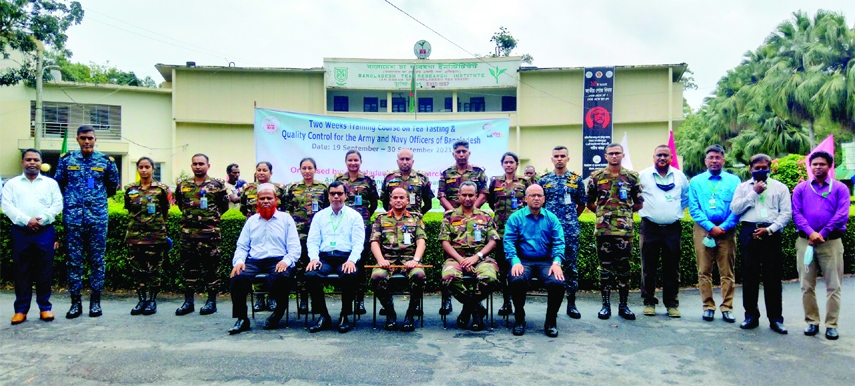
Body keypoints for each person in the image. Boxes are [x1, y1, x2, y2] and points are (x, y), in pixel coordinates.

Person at [54, 125, 120, 319]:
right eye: (83, 138)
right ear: (77, 139)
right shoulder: (67, 161)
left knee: (97, 261)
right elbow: (60, 183)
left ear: (95, 139)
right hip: (73, 219)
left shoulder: (105, 161)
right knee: (74, 261)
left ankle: (95, 303)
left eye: (90, 138)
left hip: (97, 219)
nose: (87, 141)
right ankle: (75, 304)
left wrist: (94, 202)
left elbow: (111, 188)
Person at [730, 153, 791, 334]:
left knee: (773, 277)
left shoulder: (780, 187)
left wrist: (770, 229)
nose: (761, 171)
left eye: (764, 167)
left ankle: (775, 319)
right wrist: (753, 193)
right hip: (749, 231)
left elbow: (786, 213)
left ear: (769, 168)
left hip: (771, 233)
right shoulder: (742, 188)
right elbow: (735, 209)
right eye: (757, 168)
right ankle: (751, 316)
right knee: (750, 276)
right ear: (750, 169)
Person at [227, 184, 300, 334]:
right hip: (254, 261)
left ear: (276, 200)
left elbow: (294, 247)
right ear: (257, 202)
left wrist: (286, 261)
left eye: (269, 198)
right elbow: (242, 246)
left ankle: (278, 313)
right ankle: (242, 319)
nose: (266, 201)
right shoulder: (251, 221)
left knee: (281, 277)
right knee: (237, 277)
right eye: (262, 198)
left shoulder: (286, 219)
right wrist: (239, 262)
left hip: (278, 260)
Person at [792, 151, 849, 340]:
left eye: (822, 164)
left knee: (833, 285)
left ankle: (831, 324)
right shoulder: (801, 188)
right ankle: (812, 322)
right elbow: (796, 214)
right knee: (806, 285)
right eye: (814, 164)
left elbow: (842, 214)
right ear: (810, 166)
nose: (818, 167)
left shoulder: (840, 188)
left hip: (830, 243)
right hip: (805, 243)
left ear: (829, 166)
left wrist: (822, 233)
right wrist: (810, 233)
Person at [2, 149, 63, 325]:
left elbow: (57, 204)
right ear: (22, 162)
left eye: (36, 159)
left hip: (45, 231)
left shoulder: (50, 184)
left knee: (44, 270)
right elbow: (7, 206)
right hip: (21, 232)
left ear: (41, 163)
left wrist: (41, 220)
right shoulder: (12, 184)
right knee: (22, 271)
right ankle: (21, 310)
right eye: (28, 159)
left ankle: (45, 308)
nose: (32, 162)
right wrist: (26, 220)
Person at [586, 143, 643, 321]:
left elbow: (639, 203)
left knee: (624, 269)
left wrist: (623, 215)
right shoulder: (596, 176)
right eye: (611, 153)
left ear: (623, 155)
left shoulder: (632, 177)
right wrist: (604, 215)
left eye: (617, 153)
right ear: (605, 156)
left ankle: (623, 305)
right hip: (603, 231)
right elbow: (589, 203)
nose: (614, 156)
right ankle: (605, 306)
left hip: (624, 232)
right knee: (605, 269)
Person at [688, 144, 741, 323]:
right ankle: (708, 306)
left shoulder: (734, 181)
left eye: (718, 157)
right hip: (704, 230)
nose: (714, 161)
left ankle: (727, 307)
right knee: (704, 271)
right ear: (706, 161)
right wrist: (710, 227)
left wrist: (725, 226)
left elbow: (738, 207)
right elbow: (694, 209)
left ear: (723, 160)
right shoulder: (696, 182)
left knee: (727, 272)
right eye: (711, 157)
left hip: (727, 230)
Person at [504, 184, 565, 337]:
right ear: (525, 199)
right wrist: (514, 261)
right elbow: (509, 241)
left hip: (546, 261)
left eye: (539, 195)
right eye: (532, 195)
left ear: (544, 199)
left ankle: (550, 322)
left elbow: (559, 241)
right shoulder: (516, 218)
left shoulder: (551, 218)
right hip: (523, 260)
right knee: (517, 279)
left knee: (558, 282)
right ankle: (519, 319)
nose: (536, 198)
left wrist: (556, 262)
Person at [304, 181, 365, 333]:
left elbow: (358, 243)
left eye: (339, 193)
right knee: (311, 275)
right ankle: (323, 316)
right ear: (328, 196)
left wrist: (351, 260)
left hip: (345, 257)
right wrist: (314, 259)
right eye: (332, 193)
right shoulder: (319, 216)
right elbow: (312, 241)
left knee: (350, 274)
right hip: (324, 257)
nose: (336, 196)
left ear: (346, 196)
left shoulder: (354, 216)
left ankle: (345, 315)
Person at [439, 181, 500, 331]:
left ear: (476, 196)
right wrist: (461, 260)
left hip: (481, 259)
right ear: (458, 196)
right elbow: (445, 242)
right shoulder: (450, 216)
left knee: (490, 278)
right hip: (456, 258)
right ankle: (476, 309)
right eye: (464, 195)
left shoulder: (485, 217)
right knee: (449, 277)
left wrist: (477, 256)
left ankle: (467, 308)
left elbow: (493, 241)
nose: (467, 198)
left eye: (471, 195)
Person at [174, 153, 229, 316]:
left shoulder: (217, 185)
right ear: (191, 166)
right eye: (195, 164)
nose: (198, 166)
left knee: (211, 269)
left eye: (201, 164)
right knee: (189, 270)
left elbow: (223, 206)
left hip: (209, 236)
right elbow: (180, 205)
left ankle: (211, 301)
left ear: (208, 166)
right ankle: (188, 302)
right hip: (188, 236)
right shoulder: (183, 185)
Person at [437, 139, 487, 315]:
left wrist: (472, 209)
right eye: (458, 151)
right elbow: (441, 196)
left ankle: (469, 305)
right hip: (453, 220)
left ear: (469, 153)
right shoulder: (446, 173)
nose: (461, 154)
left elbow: (483, 193)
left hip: (474, 217)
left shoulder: (478, 172)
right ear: (453, 154)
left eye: (464, 151)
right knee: (449, 262)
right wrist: (455, 212)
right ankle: (447, 301)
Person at [638, 145, 689, 318]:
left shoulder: (680, 176)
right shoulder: (643, 175)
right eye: (659, 155)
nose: (662, 158)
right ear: (653, 157)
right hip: (649, 227)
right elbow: (635, 197)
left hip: (672, 228)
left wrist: (669, 212)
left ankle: (672, 304)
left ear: (670, 157)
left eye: (665, 155)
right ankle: (649, 302)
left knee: (672, 268)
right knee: (648, 267)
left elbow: (685, 199)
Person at [370, 187, 427, 332]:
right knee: (376, 277)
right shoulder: (381, 219)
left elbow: (421, 241)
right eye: (395, 197)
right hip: (387, 260)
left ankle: (410, 314)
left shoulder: (415, 218)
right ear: (390, 200)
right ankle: (390, 313)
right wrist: (381, 260)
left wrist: (415, 260)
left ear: (407, 200)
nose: (398, 200)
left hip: (410, 260)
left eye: (402, 197)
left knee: (419, 276)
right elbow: (374, 242)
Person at [539, 145, 585, 319]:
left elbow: (581, 204)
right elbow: (540, 205)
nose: (559, 158)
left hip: (570, 230)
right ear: (552, 159)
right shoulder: (544, 180)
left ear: (568, 158)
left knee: (571, 267)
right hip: (549, 232)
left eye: (562, 156)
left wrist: (570, 219)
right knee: (551, 267)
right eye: (556, 156)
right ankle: (553, 306)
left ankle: (571, 303)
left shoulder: (576, 180)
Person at [123, 157, 171, 316]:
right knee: (138, 270)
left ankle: (152, 300)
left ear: (153, 169)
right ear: (137, 169)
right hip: (135, 236)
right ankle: (141, 300)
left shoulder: (161, 189)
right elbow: (129, 209)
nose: (144, 170)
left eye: (147, 167)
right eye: (141, 167)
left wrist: (157, 226)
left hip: (155, 236)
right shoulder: (130, 189)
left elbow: (165, 210)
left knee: (154, 270)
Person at [334, 150, 379, 316]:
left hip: (363, 228)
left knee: (359, 263)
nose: (353, 163)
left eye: (356, 160)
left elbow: (374, 203)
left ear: (360, 161)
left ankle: (359, 299)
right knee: (345, 261)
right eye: (350, 160)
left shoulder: (368, 180)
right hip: (342, 228)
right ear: (345, 162)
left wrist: (363, 216)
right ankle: (348, 299)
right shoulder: (339, 180)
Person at [486, 152, 531, 317]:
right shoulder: (495, 182)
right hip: (500, 232)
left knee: (518, 269)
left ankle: (518, 302)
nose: (509, 165)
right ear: (502, 164)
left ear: (517, 164)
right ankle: (506, 302)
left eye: (511, 162)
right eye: (506, 162)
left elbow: (533, 201)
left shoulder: (525, 182)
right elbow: (492, 202)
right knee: (503, 269)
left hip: (520, 233)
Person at [240, 161, 288, 313]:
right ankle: (257, 301)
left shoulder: (280, 189)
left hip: (275, 231)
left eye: (264, 170)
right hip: (257, 229)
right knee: (244, 272)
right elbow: (243, 208)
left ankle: (272, 298)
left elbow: (285, 206)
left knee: (279, 272)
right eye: (258, 170)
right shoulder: (247, 189)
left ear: (270, 172)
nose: (261, 172)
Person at [284, 157, 329, 316]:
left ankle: (316, 301)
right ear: (300, 170)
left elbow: (329, 211)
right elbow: (287, 209)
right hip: (299, 234)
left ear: (315, 169)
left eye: (310, 168)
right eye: (304, 168)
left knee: (315, 265)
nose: (307, 171)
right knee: (301, 267)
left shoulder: (323, 187)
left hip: (318, 233)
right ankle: (303, 299)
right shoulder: (293, 188)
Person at [381, 148, 433, 214]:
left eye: (407, 159)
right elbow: (384, 201)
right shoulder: (389, 177)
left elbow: (428, 203)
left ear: (412, 161)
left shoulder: (421, 177)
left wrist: (417, 216)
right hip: (393, 221)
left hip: (414, 221)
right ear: (397, 161)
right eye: (402, 159)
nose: (405, 162)